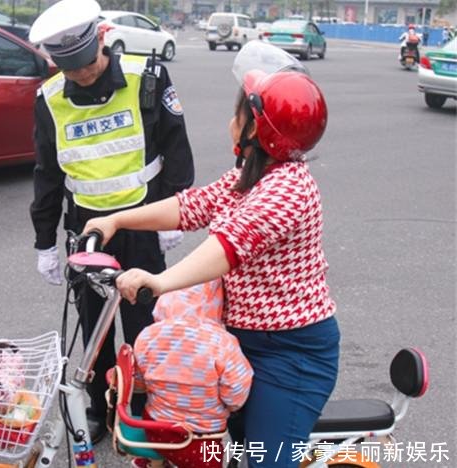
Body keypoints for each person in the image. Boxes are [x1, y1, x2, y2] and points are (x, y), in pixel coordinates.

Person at [84, 41, 340, 468]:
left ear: (255, 129)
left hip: (291, 354)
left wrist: (158, 282)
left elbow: (227, 246)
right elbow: (192, 206)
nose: (231, 121)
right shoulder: (253, 173)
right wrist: (117, 219)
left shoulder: (287, 189)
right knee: (217, 449)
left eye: (240, 113)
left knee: (266, 461)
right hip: (240, 340)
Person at [28, 0, 195, 443]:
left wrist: (176, 212)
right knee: (93, 324)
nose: (80, 75)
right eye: (69, 69)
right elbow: (47, 173)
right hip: (88, 229)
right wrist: (45, 241)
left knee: (145, 320)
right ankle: (102, 407)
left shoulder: (149, 77)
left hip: (142, 220)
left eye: (85, 65)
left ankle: (143, 407)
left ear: (102, 38)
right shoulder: (49, 99)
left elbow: (176, 146)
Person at [131, 280, 253, 468]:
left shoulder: (147, 336)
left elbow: (138, 384)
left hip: (155, 429)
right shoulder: (223, 343)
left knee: (160, 449)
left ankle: (153, 462)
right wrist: (225, 407)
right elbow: (237, 394)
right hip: (199, 439)